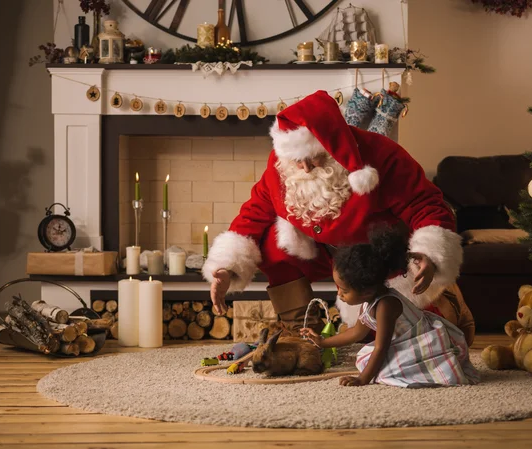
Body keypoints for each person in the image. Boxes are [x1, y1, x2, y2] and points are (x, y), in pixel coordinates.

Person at [202, 90, 474, 342]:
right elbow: (254, 213)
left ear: (332, 145)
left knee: (395, 337)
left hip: (379, 254)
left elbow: (424, 202)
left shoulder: (381, 154)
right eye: (297, 160)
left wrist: (429, 254)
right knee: (274, 245)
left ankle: (447, 300)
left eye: (314, 157)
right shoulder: (280, 168)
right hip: (322, 253)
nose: (305, 168)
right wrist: (226, 267)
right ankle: (302, 333)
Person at [300, 225, 480, 387]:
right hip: (403, 342)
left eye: (344, 291)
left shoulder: (386, 305)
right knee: (366, 358)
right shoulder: (369, 302)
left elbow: (382, 347)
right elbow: (356, 333)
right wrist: (322, 342)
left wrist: (363, 379)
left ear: (366, 291)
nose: (339, 294)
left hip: (423, 343)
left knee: (379, 367)